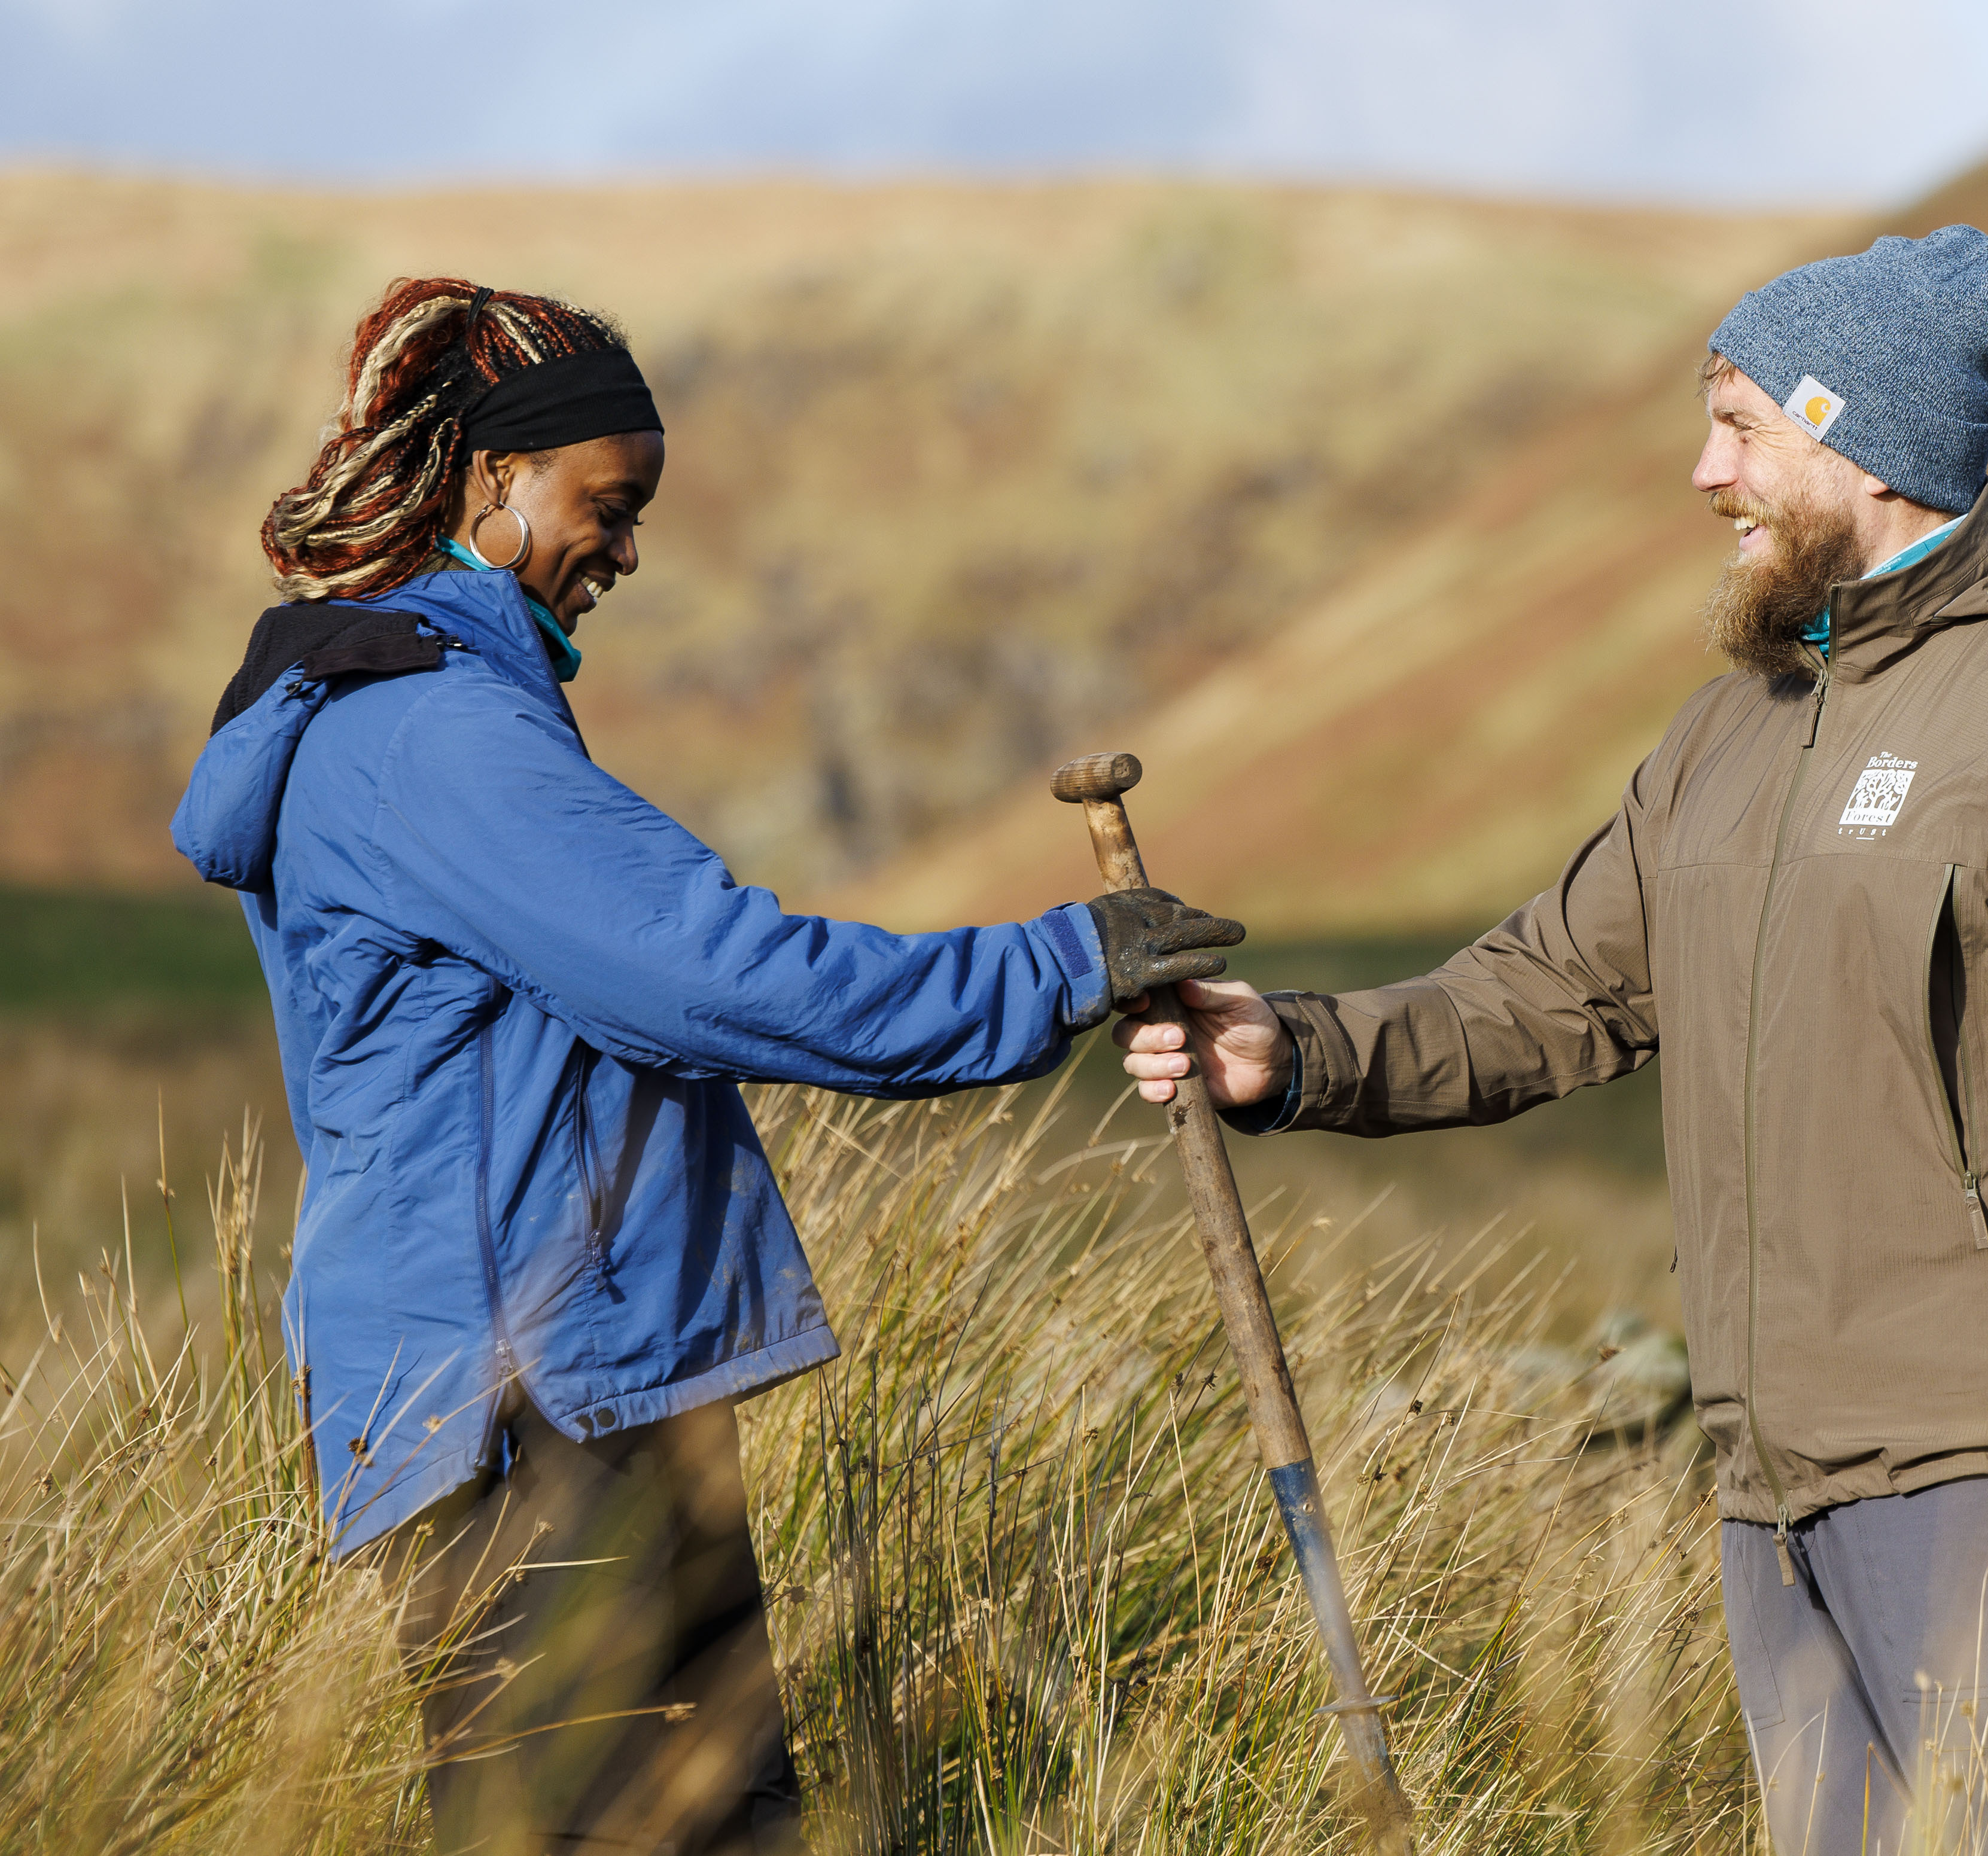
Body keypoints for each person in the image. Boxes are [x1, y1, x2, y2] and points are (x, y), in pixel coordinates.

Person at [1116, 227, 1988, 1854]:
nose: (1703, 473)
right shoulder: (1737, 726)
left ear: (1859, 443)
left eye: (1741, 427)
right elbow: (1552, 990)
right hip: (1770, 1480)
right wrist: (1289, 1056)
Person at [172, 277, 1242, 1855]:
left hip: (555, 1377)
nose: (625, 549)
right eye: (611, 505)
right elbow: (706, 973)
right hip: (531, 1397)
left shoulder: (421, 708)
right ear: (491, 478)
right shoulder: (430, 736)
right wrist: (1061, 965)